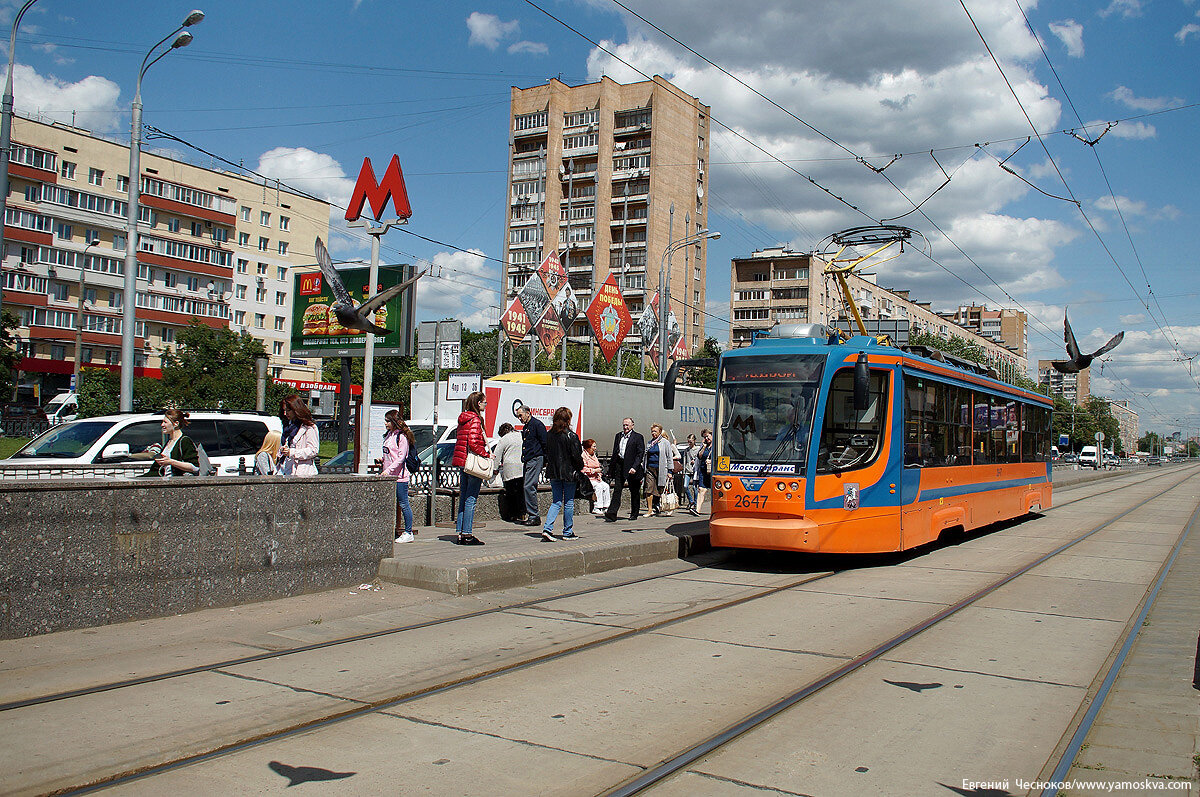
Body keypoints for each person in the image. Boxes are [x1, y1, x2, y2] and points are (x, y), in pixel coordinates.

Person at [452, 391, 491, 545]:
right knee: (471, 499)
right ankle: (468, 533)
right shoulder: (475, 420)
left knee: (463, 497)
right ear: (478, 403)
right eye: (484, 402)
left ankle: (461, 533)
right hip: (472, 463)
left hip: (463, 462)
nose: (485, 405)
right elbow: (474, 443)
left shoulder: (463, 419)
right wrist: (487, 455)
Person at [540, 406, 585, 541]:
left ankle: (547, 528)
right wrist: (579, 467)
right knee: (569, 502)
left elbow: (546, 452)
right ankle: (567, 531)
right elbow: (577, 456)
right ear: (568, 420)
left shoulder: (549, 434)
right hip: (569, 472)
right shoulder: (571, 436)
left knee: (556, 501)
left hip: (554, 472)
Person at [380, 410, 416, 543]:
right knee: (388, 503)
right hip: (388, 475)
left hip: (399, 477)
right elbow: (389, 454)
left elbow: (401, 458)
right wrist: (382, 461)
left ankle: (408, 531)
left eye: (388, 421)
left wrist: (388, 470)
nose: (386, 423)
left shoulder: (401, 437)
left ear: (394, 422)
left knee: (403, 503)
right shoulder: (389, 435)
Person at [604, 417, 645, 522]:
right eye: (624, 425)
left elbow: (640, 454)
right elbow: (615, 452)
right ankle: (612, 513)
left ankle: (634, 513)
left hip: (632, 466)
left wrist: (634, 467)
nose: (625, 427)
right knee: (617, 489)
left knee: (634, 491)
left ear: (632, 425)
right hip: (620, 465)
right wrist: (611, 469)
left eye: (627, 425)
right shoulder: (618, 436)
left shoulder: (638, 437)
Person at [143, 408, 200, 477]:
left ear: (176, 424)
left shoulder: (185, 441)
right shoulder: (169, 442)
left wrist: (170, 461)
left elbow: (195, 467)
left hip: (176, 483)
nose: (162, 425)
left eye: (165, 422)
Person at [516, 404, 546, 527]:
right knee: (527, 486)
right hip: (528, 459)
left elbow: (545, 442)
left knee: (529, 486)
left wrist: (545, 460)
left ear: (528, 413)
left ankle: (534, 515)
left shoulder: (537, 425)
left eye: (520, 415)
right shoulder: (527, 426)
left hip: (535, 458)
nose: (519, 418)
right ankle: (531, 514)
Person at [279, 395, 320, 477]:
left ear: (296, 409)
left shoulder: (309, 427)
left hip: (302, 471)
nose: (285, 413)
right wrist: (282, 450)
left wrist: (292, 452)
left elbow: (313, 450)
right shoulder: (287, 427)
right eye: (284, 410)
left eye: (288, 410)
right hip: (286, 469)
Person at [493, 422, 525, 522]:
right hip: (522, 467)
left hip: (510, 468)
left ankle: (512, 515)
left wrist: (495, 468)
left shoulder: (504, 439)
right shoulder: (521, 435)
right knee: (521, 492)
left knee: (511, 493)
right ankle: (523, 513)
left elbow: (496, 455)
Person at [643, 423, 677, 516]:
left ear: (660, 432)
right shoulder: (649, 443)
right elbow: (645, 456)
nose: (653, 433)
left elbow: (669, 457)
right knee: (649, 488)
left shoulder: (665, 442)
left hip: (661, 469)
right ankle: (650, 510)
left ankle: (664, 506)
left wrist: (670, 471)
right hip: (650, 468)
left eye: (655, 431)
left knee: (661, 489)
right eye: (652, 431)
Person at [581, 438, 610, 515]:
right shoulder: (583, 456)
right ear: (588, 447)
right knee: (598, 487)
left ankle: (606, 506)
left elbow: (598, 466)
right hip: (588, 479)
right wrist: (593, 471)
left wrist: (599, 475)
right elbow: (583, 469)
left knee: (606, 486)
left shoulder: (594, 456)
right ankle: (597, 507)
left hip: (596, 478)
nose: (595, 448)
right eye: (593, 447)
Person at [691, 428, 713, 516]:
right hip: (703, 470)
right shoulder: (704, 446)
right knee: (701, 489)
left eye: (707, 436)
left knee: (715, 492)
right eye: (704, 437)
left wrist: (712, 461)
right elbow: (699, 456)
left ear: (712, 435)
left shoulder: (717, 445)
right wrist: (703, 446)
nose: (706, 439)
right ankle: (697, 510)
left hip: (713, 471)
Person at [678, 433, 699, 510]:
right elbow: (684, 460)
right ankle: (691, 501)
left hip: (695, 470)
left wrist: (695, 461)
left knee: (694, 487)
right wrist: (683, 471)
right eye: (688, 442)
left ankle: (696, 503)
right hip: (687, 470)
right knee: (685, 486)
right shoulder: (686, 450)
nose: (689, 443)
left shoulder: (698, 449)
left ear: (694, 441)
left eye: (691, 441)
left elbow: (700, 459)